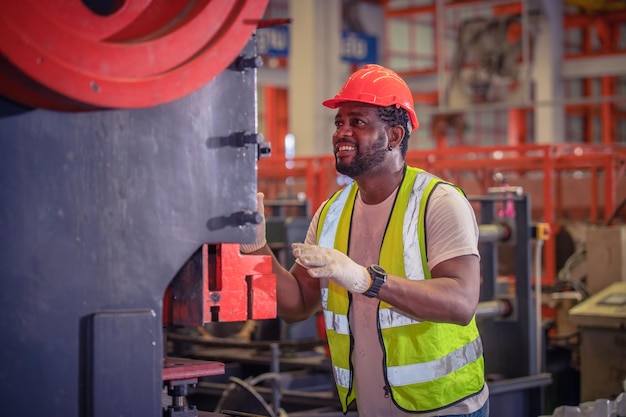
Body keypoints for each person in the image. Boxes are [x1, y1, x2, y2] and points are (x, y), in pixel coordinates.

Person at [241, 64, 489, 417]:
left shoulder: (437, 202)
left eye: (357, 122)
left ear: (394, 136)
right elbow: (297, 304)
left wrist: (366, 280)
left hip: (444, 407)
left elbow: (462, 303)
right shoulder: (331, 212)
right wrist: (255, 247)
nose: (342, 132)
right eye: (339, 123)